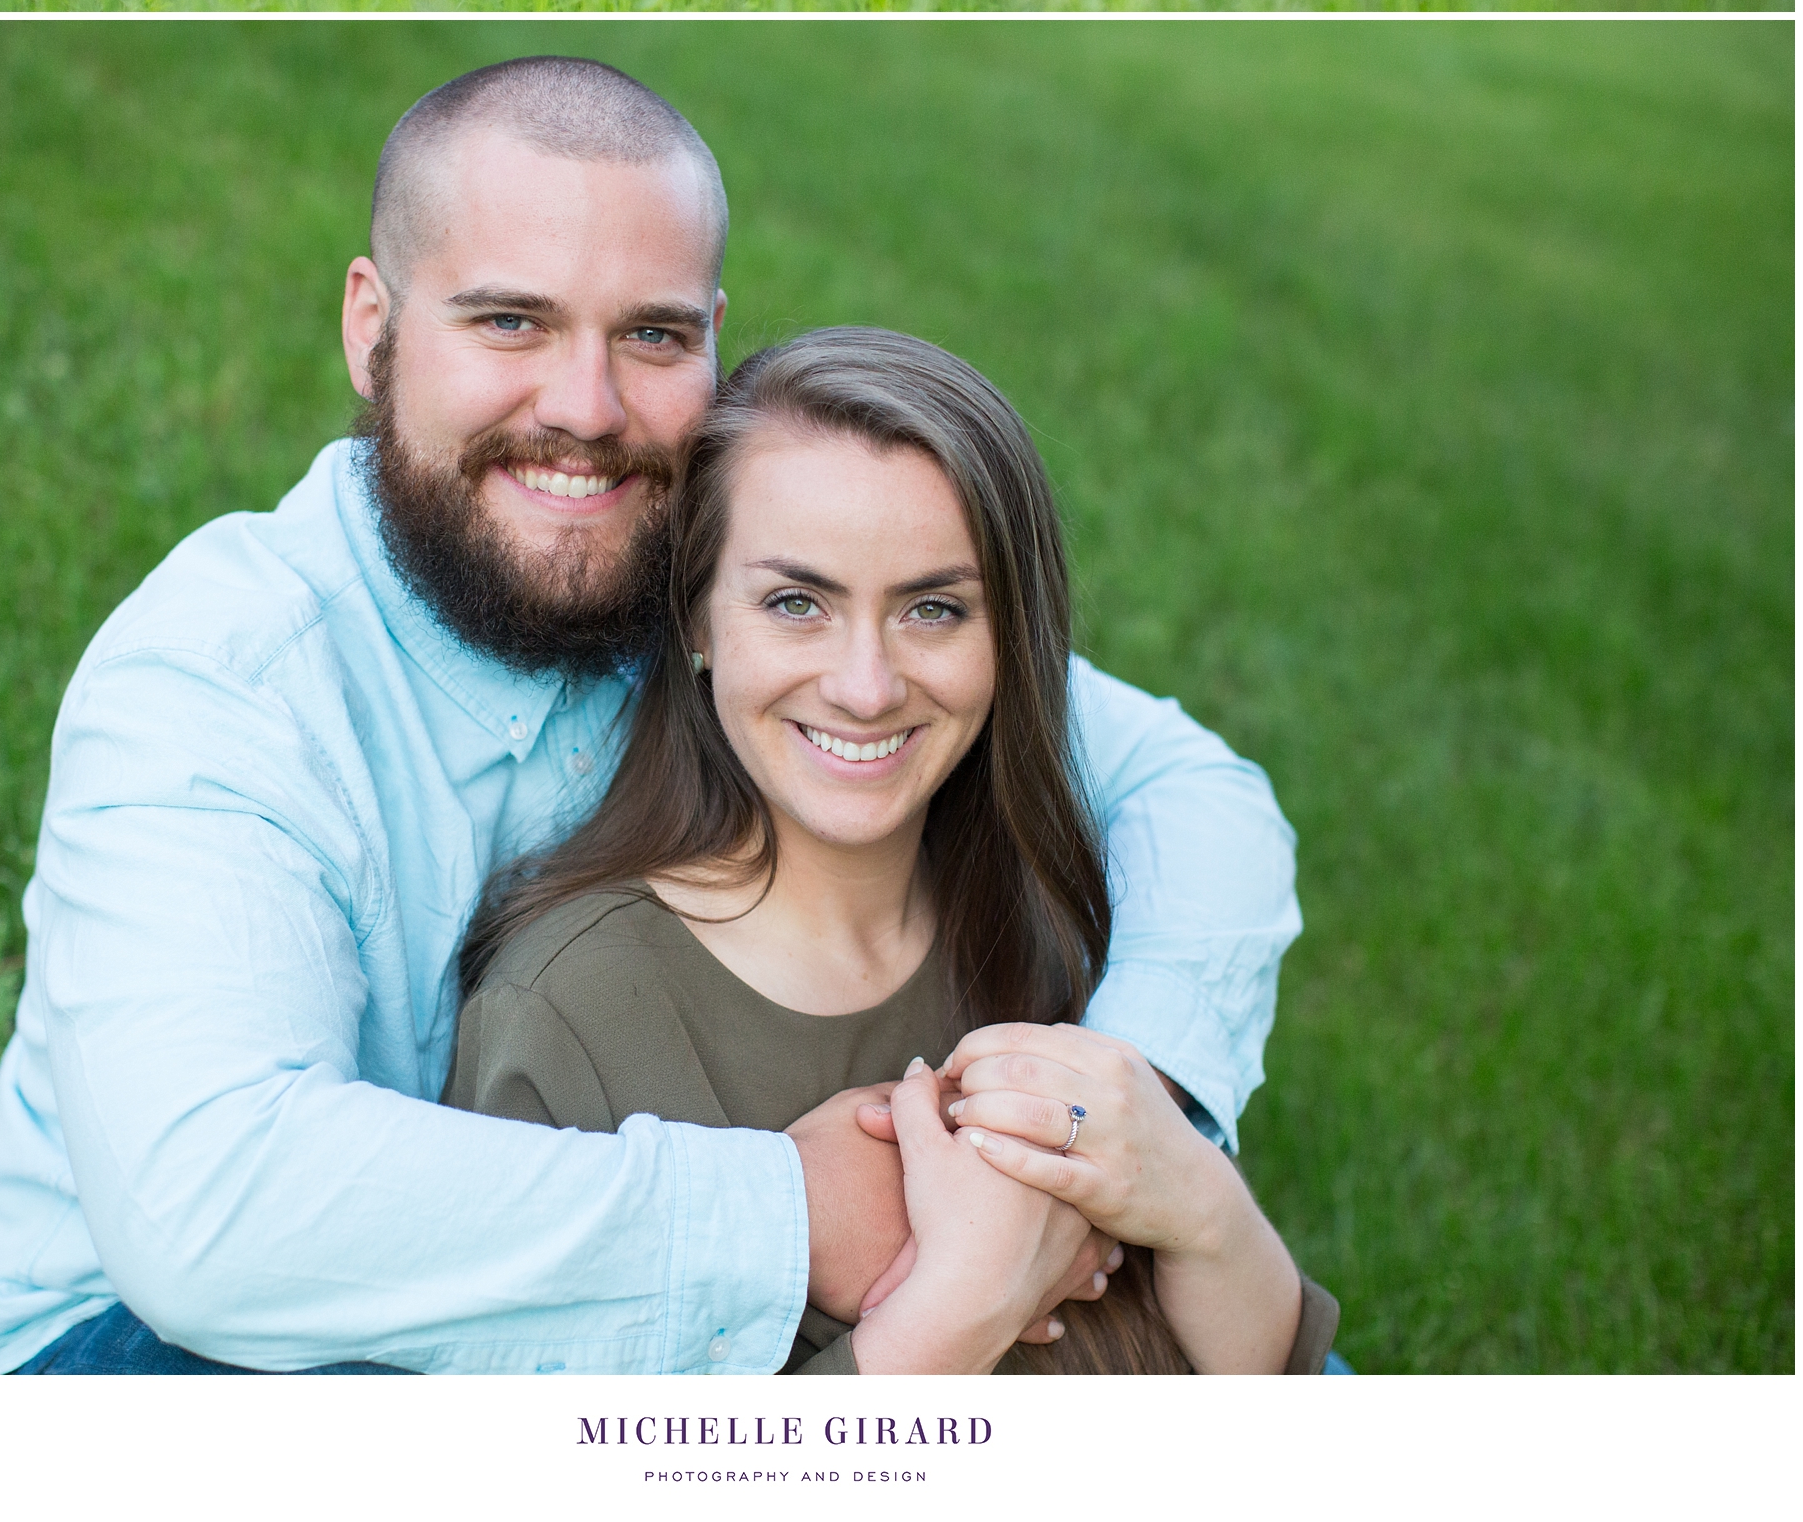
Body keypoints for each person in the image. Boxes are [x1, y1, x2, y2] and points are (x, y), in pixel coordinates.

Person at [0, 54, 1300, 1375]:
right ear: (372, 329)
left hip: (570, 1271)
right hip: (168, 1358)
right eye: (510, 320)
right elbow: (208, 1216)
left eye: (652, 336)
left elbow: (1181, 783)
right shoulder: (224, 676)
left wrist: (1121, 1113)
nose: (586, 409)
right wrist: (794, 1218)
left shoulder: (705, 573)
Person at [447, 328, 1335, 1375]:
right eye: (795, 602)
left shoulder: (1048, 901)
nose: (865, 685)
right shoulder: (564, 1018)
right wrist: (954, 1308)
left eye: (931, 608)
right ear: (694, 616)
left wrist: (1195, 1198)